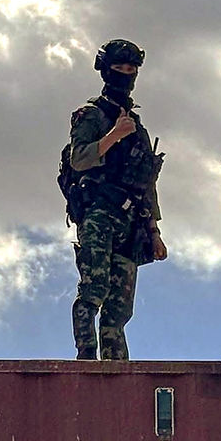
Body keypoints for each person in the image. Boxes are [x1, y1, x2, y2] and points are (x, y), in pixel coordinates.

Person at [68, 38, 167, 360]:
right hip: (99, 211)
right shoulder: (92, 115)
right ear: (105, 71)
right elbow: (79, 159)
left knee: (120, 307)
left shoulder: (137, 127)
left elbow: (145, 181)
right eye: (119, 68)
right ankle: (86, 357)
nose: (126, 74)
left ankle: (116, 369)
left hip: (131, 220)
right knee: (94, 288)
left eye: (131, 69)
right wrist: (113, 137)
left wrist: (154, 232)